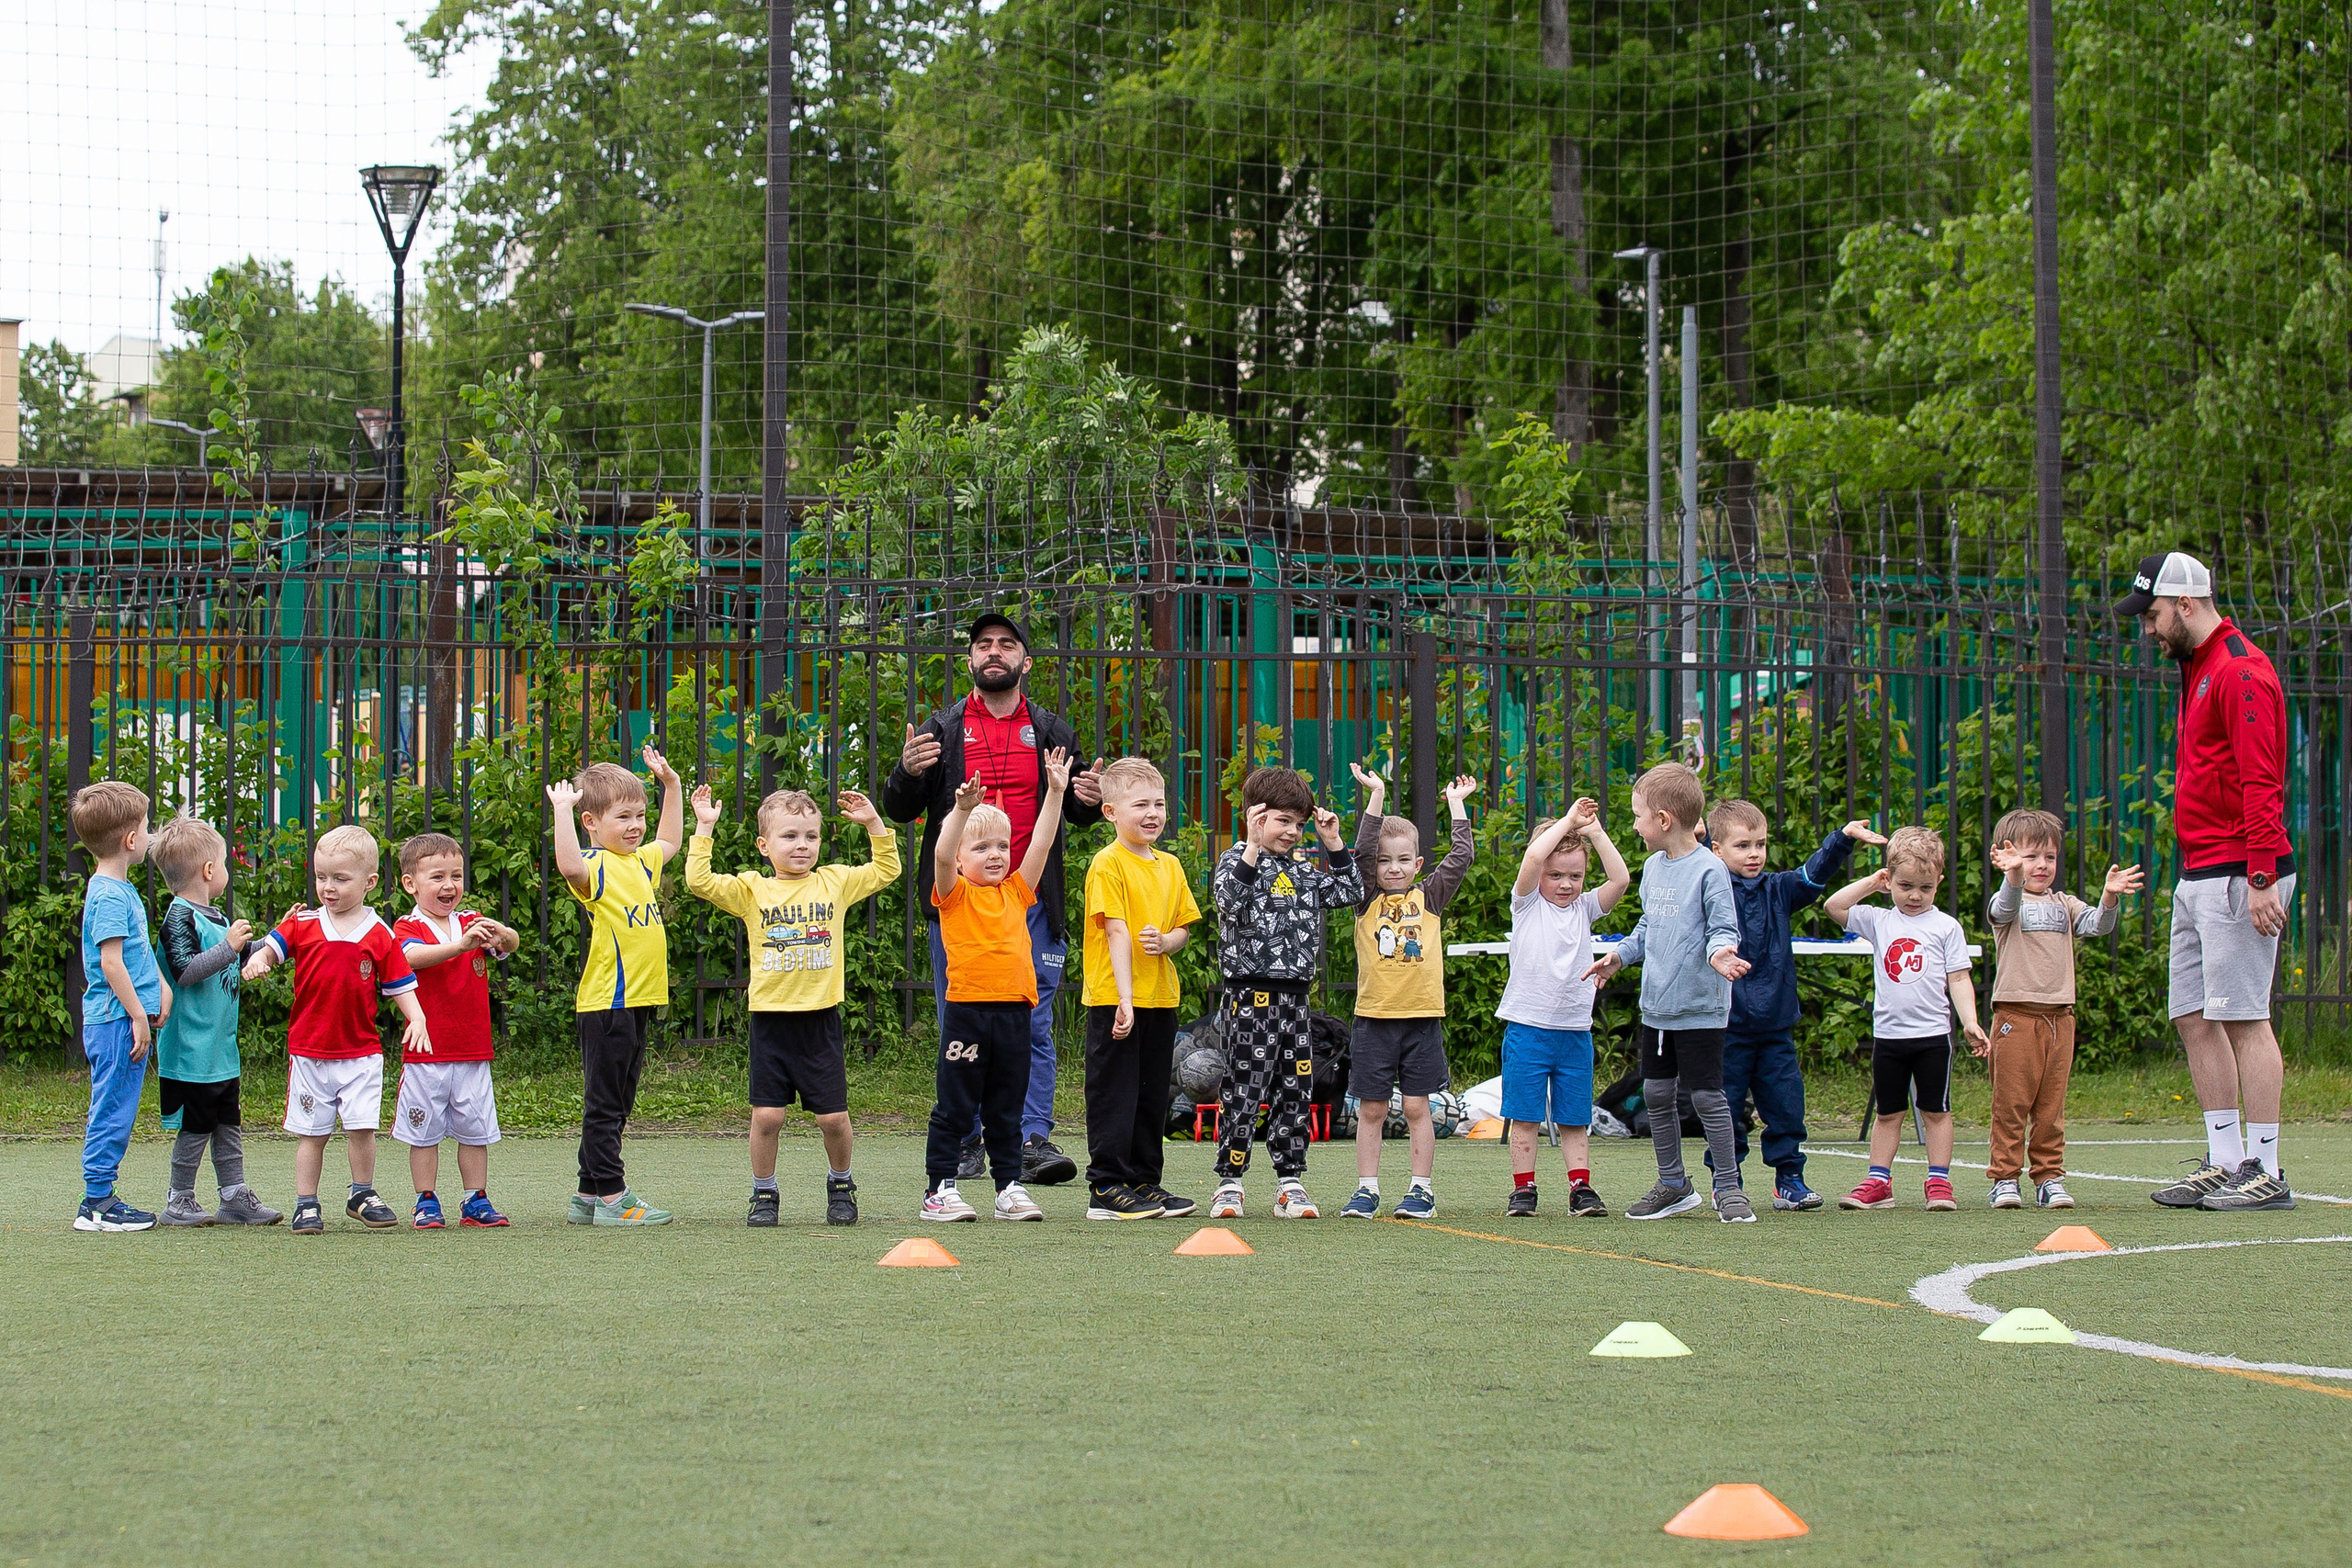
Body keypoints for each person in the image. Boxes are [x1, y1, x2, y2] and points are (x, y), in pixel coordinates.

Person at [883, 613, 1105, 1188]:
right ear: (971, 661)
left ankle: (1030, 1140)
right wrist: (907, 773)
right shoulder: (942, 728)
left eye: (1007, 645)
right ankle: (967, 1140)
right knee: (963, 1020)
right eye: (984, 645)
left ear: (1025, 662)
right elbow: (902, 809)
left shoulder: (1052, 730)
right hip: (960, 907)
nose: (995, 653)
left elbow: (1075, 812)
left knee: (1032, 1024)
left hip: (1029, 899)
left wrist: (1088, 796)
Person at [2117, 552, 2300, 1212]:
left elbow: (2262, 781)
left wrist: (2259, 877)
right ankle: (2226, 1160)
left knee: (2247, 1017)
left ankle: (2267, 1168)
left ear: (2186, 606)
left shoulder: (2240, 670)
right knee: (2193, 1016)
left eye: (2154, 615)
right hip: (2202, 869)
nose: (2148, 628)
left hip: (2238, 870)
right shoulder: (2200, 667)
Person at [685, 783, 900, 1227]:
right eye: (789, 836)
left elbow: (887, 869)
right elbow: (699, 881)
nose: (801, 845)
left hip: (820, 1022)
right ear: (764, 846)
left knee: (834, 1119)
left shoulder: (835, 881)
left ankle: (841, 1183)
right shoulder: (752, 891)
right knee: (767, 1116)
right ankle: (764, 1192)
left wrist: (874, 824)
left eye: (811, 836)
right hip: (771, 1023)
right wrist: (705, 827)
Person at [242, 824, 432, 1235]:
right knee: (312, 1134)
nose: (327, 887)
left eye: (340, 879)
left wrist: (416, 1017)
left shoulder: (379, 933)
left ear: (369, 882)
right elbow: (271, 948)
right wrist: (260, 961)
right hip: (310, 1052)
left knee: (362, 1128)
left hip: (362, 1052)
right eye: (321, 877)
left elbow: (400, 983)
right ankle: (306, 1203)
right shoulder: (303, 923)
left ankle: (361, 1193)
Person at [1586, 762, 1752, 1221]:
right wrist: (1620, 955)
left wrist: (1721, 954)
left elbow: (1723, 928)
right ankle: (1674, 1184)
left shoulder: (1710, 870)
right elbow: (1647, 927)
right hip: (1657, 1008)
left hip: (1701, 1009)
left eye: (1638, 816)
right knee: (1657, 1095)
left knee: (1706, 1098)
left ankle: (1729, 1188)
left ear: (1663, 820)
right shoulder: (1652, 868)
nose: (1634, 826)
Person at [1708, 802, 1883, 1211]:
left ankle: (1789, 1180)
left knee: (1787, 1107)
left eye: (1761, 844)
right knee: (1725, 1109)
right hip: (1726, 1026)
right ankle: (1725, 1181)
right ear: (1716, 850)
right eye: (1742, 846)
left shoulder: (1779, 888)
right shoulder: (1707, 890)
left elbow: (1814, 875)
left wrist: (1842, 839)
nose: (1754, 854)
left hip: (1775, 1026)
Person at [922, 750, 1072, 1222]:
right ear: (963, 859)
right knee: (956, 1104)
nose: (995, 856)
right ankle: (940, 1190)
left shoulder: (1017, 890)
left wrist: (1054, 792)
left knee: (1006, 1109)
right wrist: (962, 811)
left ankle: (1008, 1187)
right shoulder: (953, 893)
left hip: (1013, 1015)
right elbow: (942, 853)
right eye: (982, 848)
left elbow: (1042, 846)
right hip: (968, 1012)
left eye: (1002, 847)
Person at [1207, 765, 1361, 1221]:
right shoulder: (1236, 862)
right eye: (1283, 821)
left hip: (1295, 1000)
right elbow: (1228, 901)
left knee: (1295, 1089)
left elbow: (1351, 890)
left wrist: (1333, 841)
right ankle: (1229, 1184)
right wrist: (1253, 846)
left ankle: (1290, 1182)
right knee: (1243, 1089)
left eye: (1299, 823)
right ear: (1255, 817)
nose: (1294, 832)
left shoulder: (1304, 872)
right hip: (1247, 997)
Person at [548, 744, 685, 1227]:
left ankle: (587, 1194)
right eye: (622, 817)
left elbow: (670, 840)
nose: (635, 826)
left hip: (640, 1001)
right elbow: (568, 867)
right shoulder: (595, 866)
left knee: (620, 1099)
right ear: (592, 823)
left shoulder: (642, 862)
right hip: (609, 1002)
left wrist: (671, 786)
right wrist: (562, 812)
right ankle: (613, 1196)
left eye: (639, 815)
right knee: (605, 1103)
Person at [1983, 808, 2142, 1211]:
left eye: (2049, 857)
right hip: (2016, 1019)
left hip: (2060, 1020)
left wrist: (2109, 896)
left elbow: (2097, 925)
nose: (2042, 865)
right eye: (2031, 856)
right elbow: (2006, 904)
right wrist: (2013, 875)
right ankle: (2004, 1179)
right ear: (2006, 855)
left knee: (2051, 1107)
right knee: (2011, 1105)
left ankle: (2049, 1177)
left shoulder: (2064, 903)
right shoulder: (2006, 900)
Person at [1823, 826, 1987, 1212]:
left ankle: (1939, 1182)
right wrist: (1871, 883)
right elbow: (1834, 907)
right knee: (1888, 1112)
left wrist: (1970, 1021)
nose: (1915, 896)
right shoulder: (1879, 920)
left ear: (1939, 884)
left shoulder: (1947, 927)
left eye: (1925, 888)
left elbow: (1959, 977)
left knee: (1935, 1111)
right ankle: (1879, 1182)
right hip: (1890, 1037)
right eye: (1905, 885)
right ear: (1889, 880)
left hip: (1932, 1038)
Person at [1340, 766, 1476, 1221]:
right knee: (1373, 1108)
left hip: (1421, 1020)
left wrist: (1457, 807)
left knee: (1419, 1106)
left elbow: (1460, 857)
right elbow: (1358, 855)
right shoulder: (1364, 899)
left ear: (1417, 865)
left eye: (1402, 860)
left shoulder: (1430, 897)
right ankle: (1366, 1189)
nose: (1392, 868)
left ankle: (1421, 1190)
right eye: (1384, 861)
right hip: (1374, 1019)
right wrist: (1376, 795)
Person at [1078, 758, 1202, 1221]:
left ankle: (1145, 1181)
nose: (1152, 813)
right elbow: (1115, 932)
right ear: (1110, 812)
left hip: (1160, 998)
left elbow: (1181, 931)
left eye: (1159, 804)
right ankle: (1107, 1187)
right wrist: (1125, 1001)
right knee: (1115, 1092)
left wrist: (1167, 941)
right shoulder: (1107, 864)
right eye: (1140, 805)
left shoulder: (1170, 866)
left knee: (1152, 1095)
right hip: (1116, 998)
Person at [1497, 796, 1629, 1219]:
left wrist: (1594, 832)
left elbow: (1621, 879)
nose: (1566, 884)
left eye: (1575, 875)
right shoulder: (1527, 903)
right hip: (1528, 1029)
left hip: (1574, 1031)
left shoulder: (1586, 908)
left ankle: (1580, 1187)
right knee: (1526, 1116)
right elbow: (1535, 854)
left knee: (1574, 1118)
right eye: (1555, 875)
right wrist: (1568, 820)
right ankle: (1524, 1189)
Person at [151, 815, 280, 1227]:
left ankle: (234, 1195)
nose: (225, 871)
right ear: (209, 871)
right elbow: (185, 970)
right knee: (196, 1126)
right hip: (190, 1049)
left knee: (228, 1123)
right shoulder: (179, 917)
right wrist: (228, 948)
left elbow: (243, 954)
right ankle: (179, 1199)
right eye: (224, 863)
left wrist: (283, 937)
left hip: (220, 1050)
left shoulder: (218, 920)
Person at [390, 832, 522, 1230]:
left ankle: (475, 1199)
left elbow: (510, 946)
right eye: (438, 877)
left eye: (457, 876)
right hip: (427, 1052)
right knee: (423, 1133)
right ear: (411, 884)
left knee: (475, 1131)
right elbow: (411, 958)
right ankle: (425, 1199)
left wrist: (503, 934)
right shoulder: (406, 925)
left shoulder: (472, 923)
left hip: (472, 1048)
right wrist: (462, 946)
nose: (450, 886)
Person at [71, 781, 170, 1233]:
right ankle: (96, 1203)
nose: (150, 836)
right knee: (112, 1109)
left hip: (125, 1019)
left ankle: (99, 1198)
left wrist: (161, 991)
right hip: (116, 1023)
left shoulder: (117, 890)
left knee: (118, 1107)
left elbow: (135, 956)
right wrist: (137, 1017)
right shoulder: (110, 894)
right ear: (131, 841)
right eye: (147, 829)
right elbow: (111, 964)